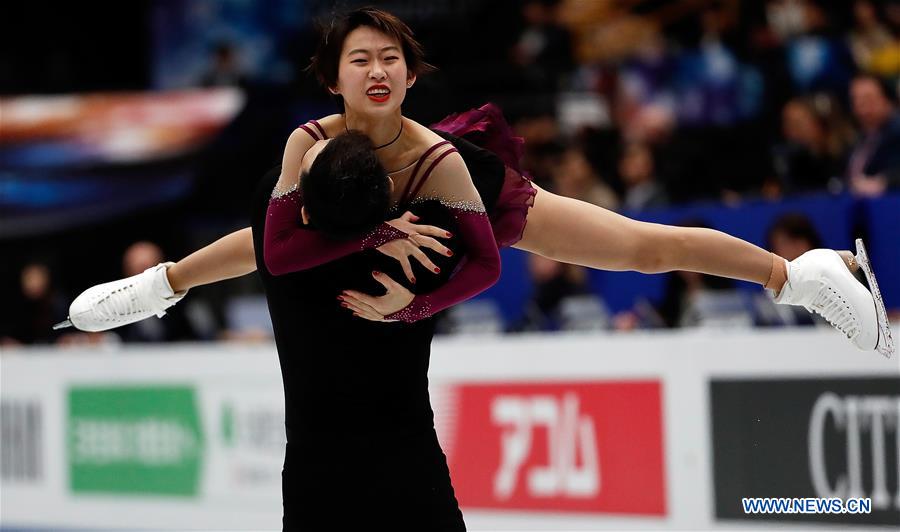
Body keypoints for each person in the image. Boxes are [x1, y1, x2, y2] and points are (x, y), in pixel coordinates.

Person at [59, 0, 894, 451]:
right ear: (334, 80)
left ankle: (803, 277)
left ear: (411, 73)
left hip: (463, 205)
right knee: (255, 238)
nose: (379, 70)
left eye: (391, 58)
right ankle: (155, 287)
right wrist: (372, 237)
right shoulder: (309, 147)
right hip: (364, 219)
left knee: (643, 248)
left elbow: (480, 262)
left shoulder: (442, 161)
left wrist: (409, 303)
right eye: (361, 60)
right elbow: (273, 248)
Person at [846, 73, 900, 197]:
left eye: (868, 99)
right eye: (856, 100)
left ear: (888, 100)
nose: (861, 107)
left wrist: (884, 182)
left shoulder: (897, 132)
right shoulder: (858, 137)